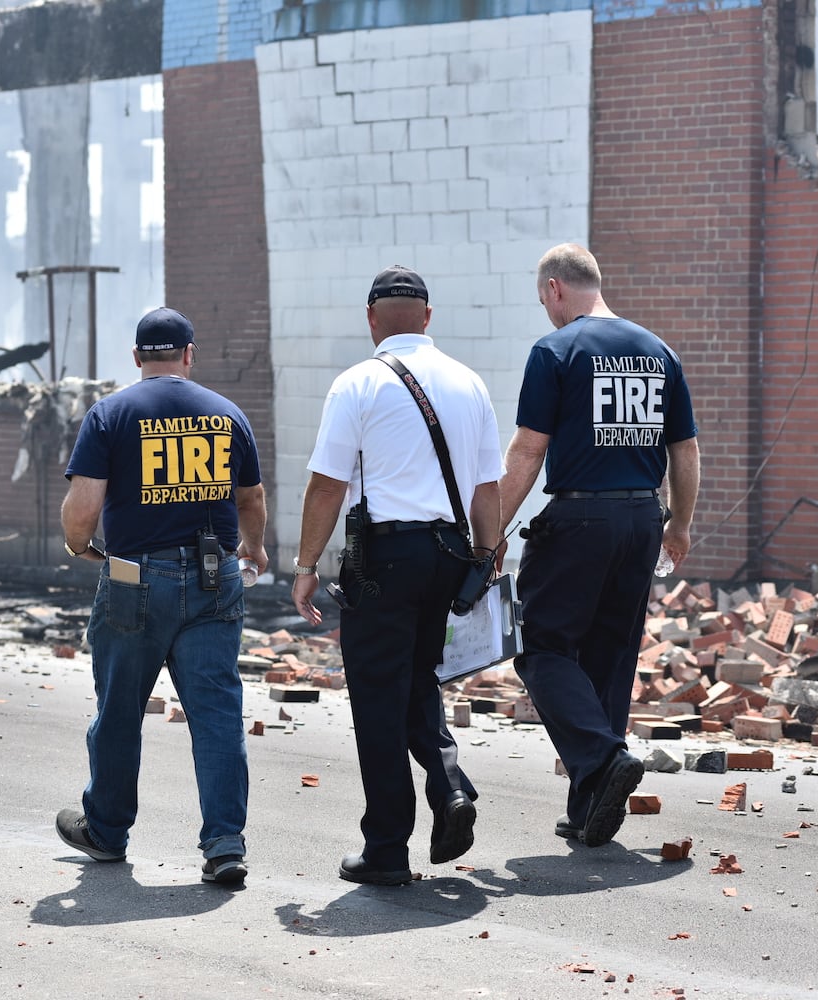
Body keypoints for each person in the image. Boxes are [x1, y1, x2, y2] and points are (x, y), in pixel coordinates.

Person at [291, 265, 503, 885]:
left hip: (384, 561)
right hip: (451, 557)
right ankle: (449, 788)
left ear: (371, 318)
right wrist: (487, 562)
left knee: (379, 701)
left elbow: (327, 484)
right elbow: (487, 487)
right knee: (418, 682)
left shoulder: (356, 384)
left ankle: (386, 848)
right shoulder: (469, 384)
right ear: (429, 318)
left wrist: (306, 566)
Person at [55, 306, 269, 886]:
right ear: (189, 355)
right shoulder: (226, 414)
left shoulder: (110, 415)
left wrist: (83, 548)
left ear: (136, 358)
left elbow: (83, 510)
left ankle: (106, 830)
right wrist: (256, 550)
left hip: (133, 577)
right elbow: (250, 499)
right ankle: (225, 844)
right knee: (217, 714)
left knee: (120, 710)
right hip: (214, 577)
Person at [498, 243, 699, 848]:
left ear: (555, 289)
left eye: (543, 301)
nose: (546, 313)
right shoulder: (658, 351)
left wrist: (490, 536)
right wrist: (680, 525)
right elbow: (684, 451)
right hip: (643, 518)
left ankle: (604, 757)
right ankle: (590, 807)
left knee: (543, 650)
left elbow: (529, 450)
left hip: (580, 520)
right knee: (610, 659)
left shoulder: (555, 351)